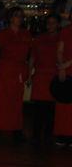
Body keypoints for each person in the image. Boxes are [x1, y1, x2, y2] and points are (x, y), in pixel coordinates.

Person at [0, 7, 32, 141]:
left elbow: (30, 55)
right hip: (5, 69)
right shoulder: (3, 34)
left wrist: (28, 72)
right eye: (17, 15)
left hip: (19, 70)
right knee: (0, 100)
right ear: (11, 18)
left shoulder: (26, 34)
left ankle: (16, 129)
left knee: (16, 101)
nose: (19, 18)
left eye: (21, 16)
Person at [30, 14, 61, 144]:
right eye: (49, 23)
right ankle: (36, 135)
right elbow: (33, 57)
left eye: (53, 23)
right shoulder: (39, 38)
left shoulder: (61, 38)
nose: (50, 25)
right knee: (38, 107)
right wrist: (29, 74)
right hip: (40, 75)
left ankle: (48, 135)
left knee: (51, 108)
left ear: (58, 24)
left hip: (54, 76)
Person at [55, 23, 72, 146]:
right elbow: (59, 51)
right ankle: (62, 134)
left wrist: (66, 64)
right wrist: (62, 67)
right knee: (63, 105)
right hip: (66, 70)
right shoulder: (66, 31)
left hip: (67, 67)